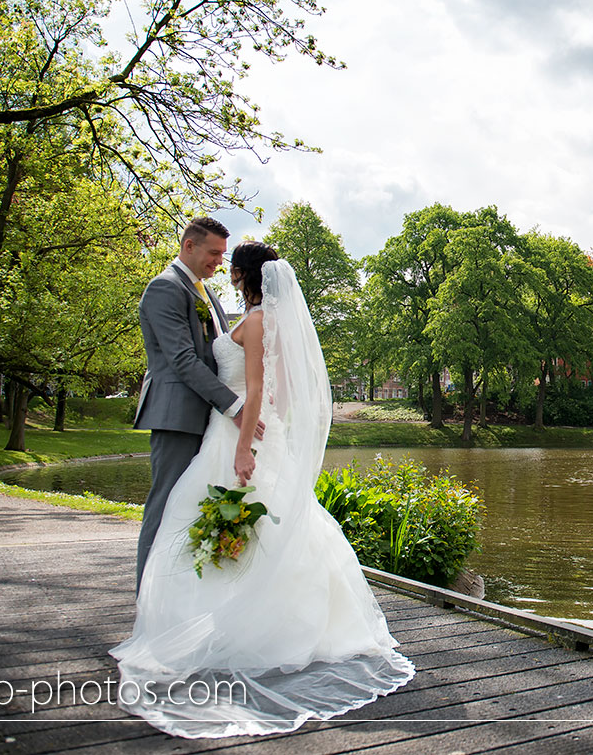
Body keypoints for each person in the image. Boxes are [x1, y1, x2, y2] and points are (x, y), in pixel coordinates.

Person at [111, 242, 414, 738]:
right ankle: (227, 620)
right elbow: (279, 391)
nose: (222, 268)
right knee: (250, 525)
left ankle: (210, 625)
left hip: (235, 432)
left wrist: (244, 446)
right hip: (245, 426)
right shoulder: (268, 322)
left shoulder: (253, 322)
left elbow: (252, 390)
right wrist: (263, 416)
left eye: (229, 264)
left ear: (242, 275)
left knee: (198, 518)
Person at [133, 217, 261, 593]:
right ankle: (147, 601)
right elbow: (183, 360)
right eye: (214, 252)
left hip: (206, 418)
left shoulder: (204, 291)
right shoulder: (165, 288)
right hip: (177, 415)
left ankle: (179, 598)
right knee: (165, 508)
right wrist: (235, 406)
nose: (220, 261)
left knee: (190, 510)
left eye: (223, 254)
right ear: (189, 246)